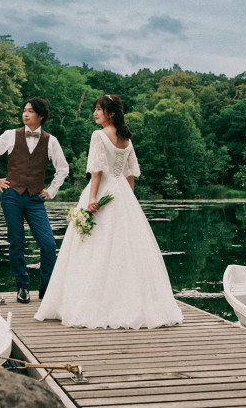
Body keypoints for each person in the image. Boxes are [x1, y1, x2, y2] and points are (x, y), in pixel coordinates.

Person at [35, 94, 183, 329]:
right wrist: (130, 201)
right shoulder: (127, 139)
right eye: (94, 109)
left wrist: (92, 198)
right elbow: (130, 174)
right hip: (122, 193)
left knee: (92, 247)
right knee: (125, 250)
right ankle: (131, 301)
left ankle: (91, 302)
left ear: (111, 113)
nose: (95, 113)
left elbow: (97, 171)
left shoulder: (99, 136)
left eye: (99, 109)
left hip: (103, 190)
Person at [0, 96, 69, 304]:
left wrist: (52, 191)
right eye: (24, 110)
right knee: (16, 242)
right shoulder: (11, 135)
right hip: (12, 195)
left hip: (35, 199)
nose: (25, 113)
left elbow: (63, 168)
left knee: (48, 244)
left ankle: (46, 289)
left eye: (30, 111)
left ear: (40, 116)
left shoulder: (51, 141)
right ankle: (22, 287)